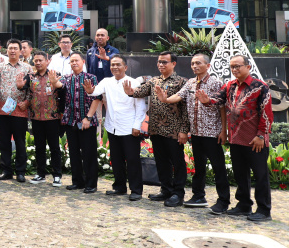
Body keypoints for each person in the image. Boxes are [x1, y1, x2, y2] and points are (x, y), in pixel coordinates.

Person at [197, 55, 274, 222]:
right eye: (232, 67)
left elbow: (266, 113)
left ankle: (264, 210)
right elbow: (218, 99)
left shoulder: (260, 87)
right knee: (240, 175)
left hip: (255, 140)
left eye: (238, 66)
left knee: (260, 176)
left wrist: (261, 135)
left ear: (248, 67)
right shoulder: (229, 86)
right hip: (236, 139)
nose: (235, 69)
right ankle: (244, 205)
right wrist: (207, 101)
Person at [156, 53, 230, 213]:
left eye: (198, 63)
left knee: (218, 167)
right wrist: (165, 99)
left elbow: (222, 106)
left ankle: (223, 201)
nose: (195, 66)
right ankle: (198, 196)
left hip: (211, 133)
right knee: (199, 167)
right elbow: (179, 96)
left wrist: (223, 130)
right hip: (196, 132)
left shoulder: (215, 83)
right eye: (192, 64)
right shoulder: (190, 83)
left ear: (208, 66)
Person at [124, 51, 190, 208]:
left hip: (174, 131)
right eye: (159, 62)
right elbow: (139, 92)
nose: (161, 64)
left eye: (164, 62)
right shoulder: (154, 81)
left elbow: (186, 108)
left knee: (177, 162)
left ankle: (178, 193)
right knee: (161, 162)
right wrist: (130, 92)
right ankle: (166, 189)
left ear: (173, 64)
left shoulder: (182, 82)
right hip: (156, 129)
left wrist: (183, 130)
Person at [84, 54, 146, 201]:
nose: (115, 67)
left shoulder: (133, 83)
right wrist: (89, 90)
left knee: (132, 160)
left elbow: (141, 107)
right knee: (116, 159)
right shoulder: (106, 81)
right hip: (113, 127)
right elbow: (95, 92)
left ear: (125, 67)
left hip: (129, 128)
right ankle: (119, 186)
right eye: (112, 65)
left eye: (118, 65)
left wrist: (137, 125)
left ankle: (136, 190)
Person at [50, 52, 99, 193]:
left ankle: (91, 184)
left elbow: (97, 98)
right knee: (74, 153)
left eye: (76, 60)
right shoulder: (67, 78)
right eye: (71, 61)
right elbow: (59, 86)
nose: (74, 63)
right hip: (71, 121)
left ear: (83, 62)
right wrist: (53, 81)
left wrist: (88, 117)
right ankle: (77, 181)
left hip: (87, 122)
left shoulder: (91, 78)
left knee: (89, 154)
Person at [0, 39, 29, 182]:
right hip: (3, 110)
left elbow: (32, 88)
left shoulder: (27, 68)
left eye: (15, 48)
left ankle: (20, 171)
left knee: (20, 142)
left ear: (20, 50)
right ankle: (6, 171)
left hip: (20, 109)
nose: (13, 51)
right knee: (4, 142)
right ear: (6, 50)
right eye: (10, 48)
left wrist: (27, 102)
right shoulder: (1, 66)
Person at [19, 51, 62, 186]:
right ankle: (40, 174)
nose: (37, 63)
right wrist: (19, 85)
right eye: (35, 61)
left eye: (40, 60)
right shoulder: (30, 77)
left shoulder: (55, 75)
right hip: (36, 117)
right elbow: (24, 90)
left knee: (54, 147)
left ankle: (57, 175)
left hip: (52, 117)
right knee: (39, 147)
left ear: (47, 61)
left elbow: (63, 93)